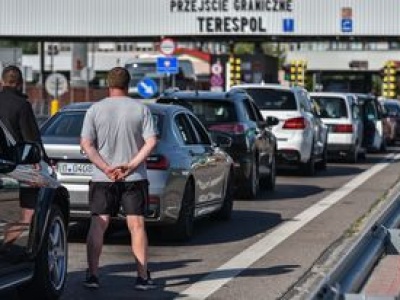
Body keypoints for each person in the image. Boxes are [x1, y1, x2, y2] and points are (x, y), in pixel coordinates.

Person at [80, 67, 158, 290]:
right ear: (128, 84)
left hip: (102, 179)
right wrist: (131, 165)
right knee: (137, 225)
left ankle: (93, 275)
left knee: (98, 223)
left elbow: (86, 144)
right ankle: (142, 277)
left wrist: (106, 168)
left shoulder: (94, 110)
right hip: (134, 177)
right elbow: (151, 142)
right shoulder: (140, 109)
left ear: (108, 84)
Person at [0, 65, 46, 247]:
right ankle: (6, 248)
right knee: (28, 215)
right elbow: (32, 140)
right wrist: (41, 163)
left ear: (2, 82)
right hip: (17, 167)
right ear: (20, 84)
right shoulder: (22, 105)